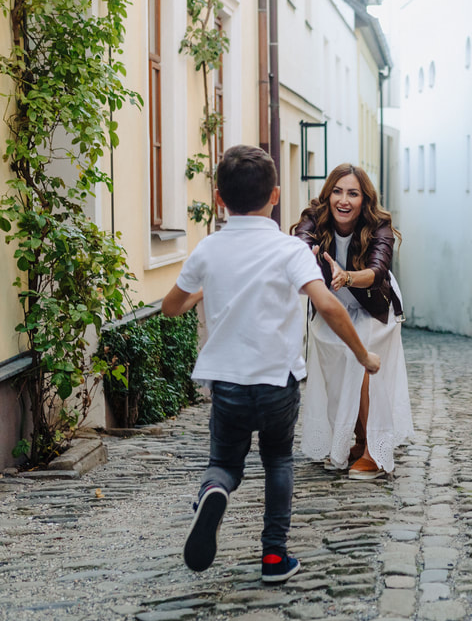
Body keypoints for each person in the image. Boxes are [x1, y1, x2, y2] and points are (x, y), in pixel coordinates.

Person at [162, 145, 380, 584]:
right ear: (275, 196)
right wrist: (362, 354)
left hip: (226, 381)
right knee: (278, 461)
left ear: (220, 198)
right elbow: (330, 307)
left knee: (224, 460)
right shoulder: (290, 251)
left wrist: (203, 291)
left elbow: (171, 306)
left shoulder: (208, 250)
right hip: (277, 381)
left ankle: (214, 489)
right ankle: (274, 557)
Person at [291, 164, 413, 481]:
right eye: (338, 191)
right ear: (328, 194)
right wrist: (305, 258)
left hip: (375, 304)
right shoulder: (313, 218)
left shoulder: (379, 225)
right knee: (334, 360)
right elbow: (299, 247)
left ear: (364, 200)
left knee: (358, 357)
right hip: (332, 306)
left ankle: (372, 451)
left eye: (353, 194)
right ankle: (351, 441)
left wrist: (346, 277)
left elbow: (378, 271)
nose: (344, 200)